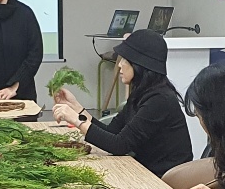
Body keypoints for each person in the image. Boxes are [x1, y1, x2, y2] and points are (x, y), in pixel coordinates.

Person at [52, 28, 192, 176]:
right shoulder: (142, 93)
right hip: (146, 171)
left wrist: (76, 120)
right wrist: (77, 109)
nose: (119, 65)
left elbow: (120, 145)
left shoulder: (160, 100)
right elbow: (113, 132)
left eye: (125, 60)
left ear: (140, 64)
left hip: (165, 180)